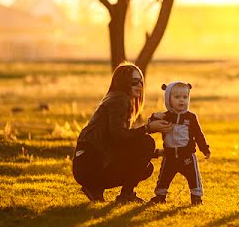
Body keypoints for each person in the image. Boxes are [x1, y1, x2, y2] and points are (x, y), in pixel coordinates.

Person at [72, 63, 174, 204]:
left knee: (147, 167)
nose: (139, 85)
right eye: (134, 82)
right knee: (146, 142)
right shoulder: (120, 100)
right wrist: (148, 128)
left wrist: (159, 153)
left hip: (85, 167)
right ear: (123, 82)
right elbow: (119, 138)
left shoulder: (115, 98)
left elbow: (119, 143)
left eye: (141, 81)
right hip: (90, 164)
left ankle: (95, 189)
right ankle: (126, 195)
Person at [147, 81, 211, 205]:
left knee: (194, 177)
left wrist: (205, 149)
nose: (181, 100)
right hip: (169, 155)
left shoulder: (191, 117)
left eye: (185, 97)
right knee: (164, 177)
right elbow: (151, 125)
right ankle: (160, 196)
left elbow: (198, 135)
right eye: (177, 97)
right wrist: (154, 116)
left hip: (187, 156)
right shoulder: (165, 116)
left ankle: (196, 197)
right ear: (168, 99)